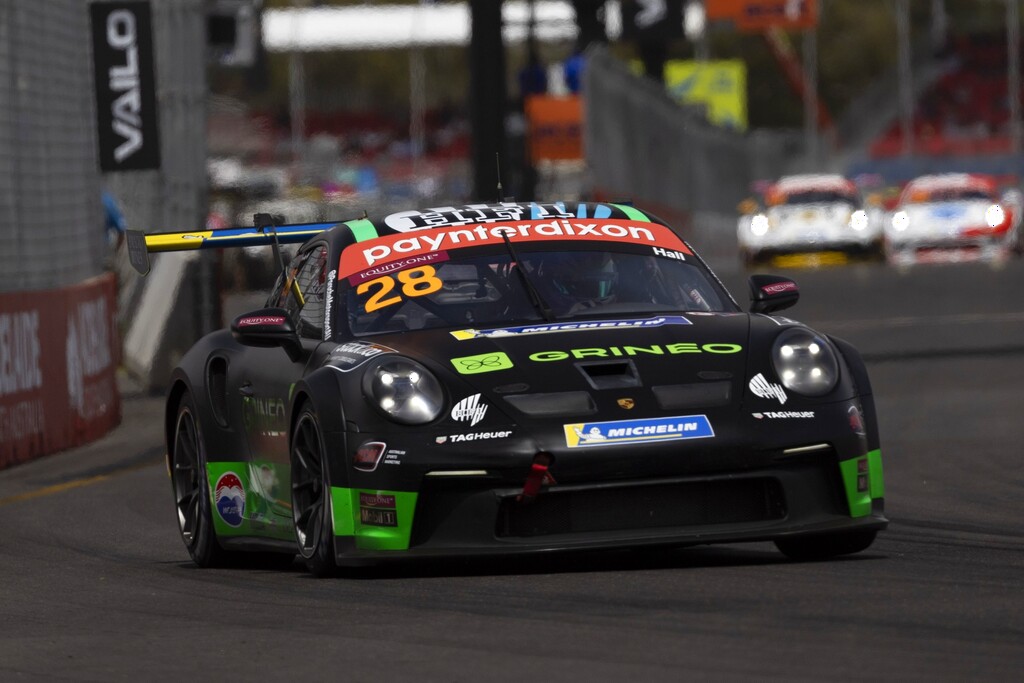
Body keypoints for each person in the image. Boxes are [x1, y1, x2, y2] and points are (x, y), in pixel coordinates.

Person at [532, 251, 619, 315]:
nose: (590, 302)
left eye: (595, 283)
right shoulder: (529, 315)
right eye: (579, 284)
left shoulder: (628, 310)